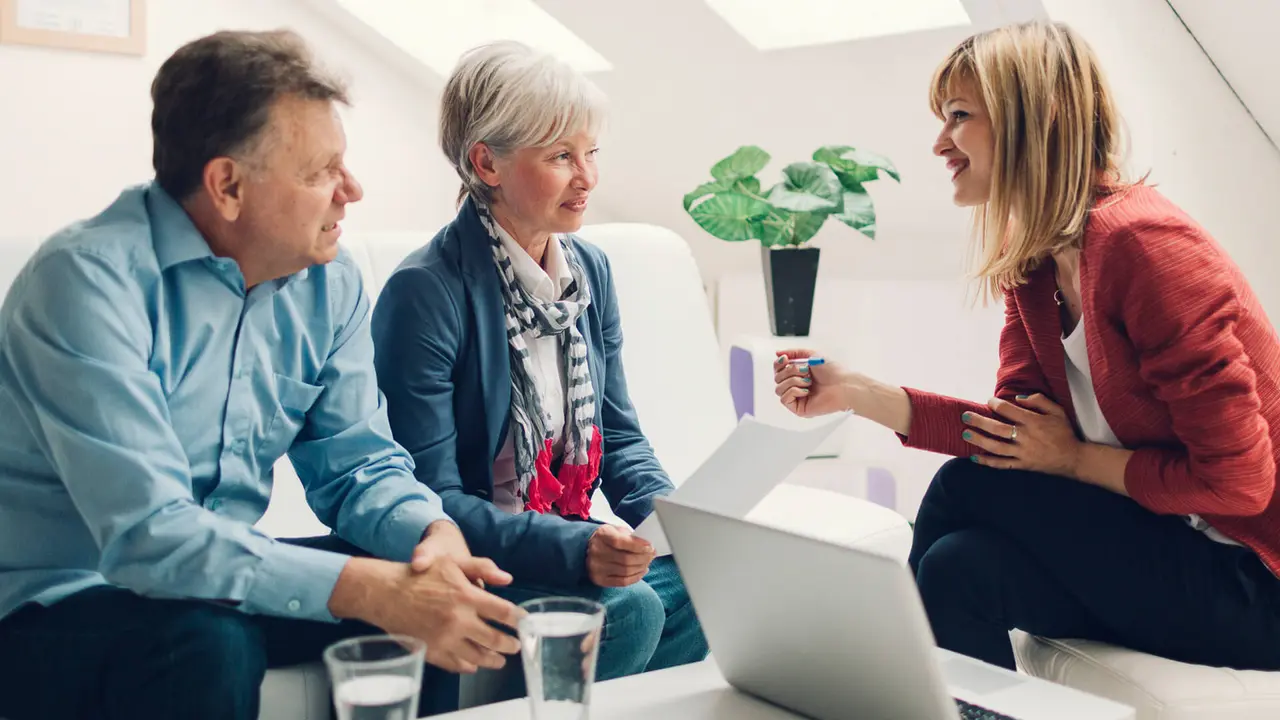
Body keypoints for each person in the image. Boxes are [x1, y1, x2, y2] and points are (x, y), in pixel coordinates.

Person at [0, 30, 526, 720]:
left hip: (213, 579)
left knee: (426, 600)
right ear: (227, 185)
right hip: (58, 600)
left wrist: (428, 535)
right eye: (320, 172)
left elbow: (358, 467)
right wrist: (366, 586)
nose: (352, 191)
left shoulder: (327, 281)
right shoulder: (87, 284)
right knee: (210, 642)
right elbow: (152, 539)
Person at [774, 20, 1280, 672]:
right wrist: (860, 394)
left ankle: (867, 675)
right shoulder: (1038, 266)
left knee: (967, 486)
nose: (939, 143)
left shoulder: (1144, 248)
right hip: (1173, 548)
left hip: (1256, 581)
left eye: (958, 116)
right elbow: (1012, 444)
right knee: (959, 569)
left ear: (1031, 118)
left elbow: (1239, 484)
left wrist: (1072, 460)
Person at [370, 41, 708, 683]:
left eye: (592, 153)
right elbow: (432, 498)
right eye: (560, 156)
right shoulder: (426, 291)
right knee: (627, 611)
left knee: (706, 586)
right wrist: (578, 547)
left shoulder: (591, 272)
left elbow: (621, 438)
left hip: (561, 543)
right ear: (485, 163)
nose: (588, 177)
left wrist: (679, 524)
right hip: (479, 563)